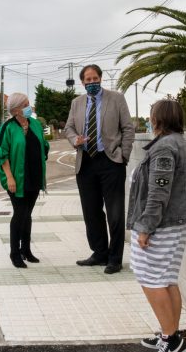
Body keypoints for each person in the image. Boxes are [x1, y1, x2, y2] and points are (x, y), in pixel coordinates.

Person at [127, 99, 186, 352]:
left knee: (150, 278)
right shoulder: (179, 143)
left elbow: (158, 192)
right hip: (173, 222)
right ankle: (171, 336)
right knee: (166, 278)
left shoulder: (165, 148)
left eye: (151, 115)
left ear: (158, 119)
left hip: (161, 224)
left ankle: (171, 339)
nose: (150, 119)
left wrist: (146, 226)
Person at [65, 64, 135, 274]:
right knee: (91, 212)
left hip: (110, 161)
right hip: (85, 162)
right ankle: (99, 252)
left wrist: (123, 156)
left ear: (101, 79)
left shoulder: (116, 98)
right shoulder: (76, 103)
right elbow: (68, 127)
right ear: (83, 82)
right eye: (88, 80)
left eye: (95, 78)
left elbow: (128, 128)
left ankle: (115, 259)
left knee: (114, 213)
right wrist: (74, 139)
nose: (92, 82)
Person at [0, 93, 49, 268]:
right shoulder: (8, 127)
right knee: (19, 214)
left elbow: (43, 147)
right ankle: (15, 253)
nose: (31, 107)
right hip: (17, 179)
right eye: (27, 104)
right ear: (16, 110)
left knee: (27, 215)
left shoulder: (35, 124)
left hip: (35, 177)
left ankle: (26, 250)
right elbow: (1, 153)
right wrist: (10, 177)